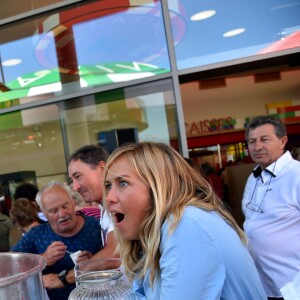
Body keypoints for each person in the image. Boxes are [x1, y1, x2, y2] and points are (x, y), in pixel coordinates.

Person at [103, 141, 267, 299]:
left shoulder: (186, 223)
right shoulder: (160, 231)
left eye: (123, 183)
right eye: (108, 186)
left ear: (159, 186)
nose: (109, 197)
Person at [11, 181, 103, 300]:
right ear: (43, 213)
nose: (62, 214)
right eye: (53, 211)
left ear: (73, 202)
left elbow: (115, 260)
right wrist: (42, 260)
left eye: (65, 206)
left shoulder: (95, 227)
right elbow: (9, 266)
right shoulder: (36, 235)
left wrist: (94, 260)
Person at [242, 115, 300, 300]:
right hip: (262, 286)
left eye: (264, 139)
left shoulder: (296, 175)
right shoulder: (253, 178)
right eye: (252, 141)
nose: (257, 146)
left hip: (292, 288)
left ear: (283, 141)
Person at [68, 144, 117, 258]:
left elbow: (116, 251)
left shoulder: (116, 203)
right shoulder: (104, 208)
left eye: (78, 176)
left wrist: (69, 275)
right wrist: (95, 259)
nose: (75, 187)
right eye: (72, 180)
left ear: (101, 169)